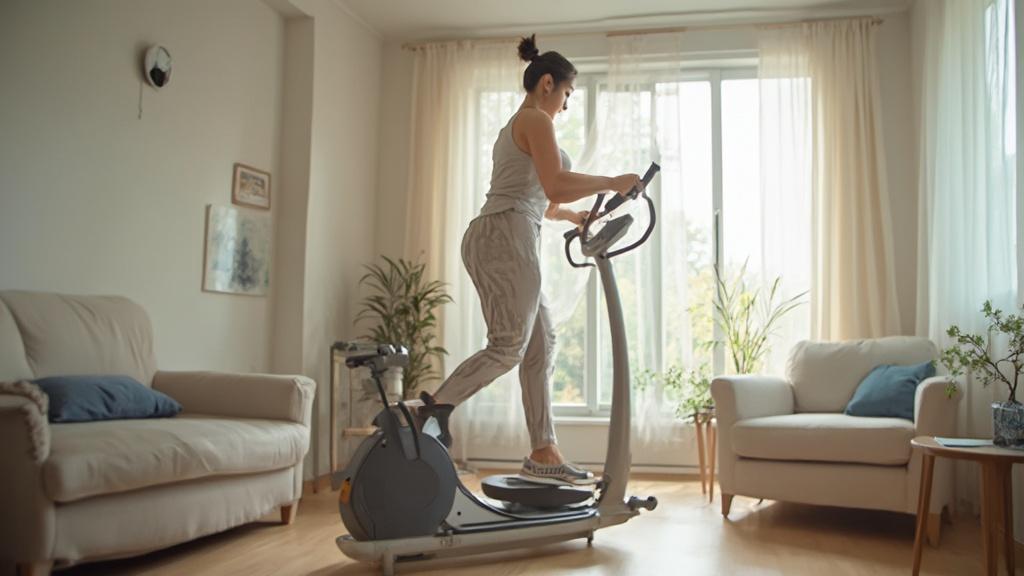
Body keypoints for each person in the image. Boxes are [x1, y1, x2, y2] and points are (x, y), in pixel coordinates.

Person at [419, 34, 642, 486]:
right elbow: (556, 184)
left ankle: (543, 451)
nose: (566, 105)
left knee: (541, 344)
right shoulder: (535, 121)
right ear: (547, 84)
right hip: (504, 233)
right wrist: (612, 180)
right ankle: (430, 410)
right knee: (508, 345)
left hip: (509, 229)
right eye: (566, 94)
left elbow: (546, 200)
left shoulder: (526, 127)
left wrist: (578, 215)